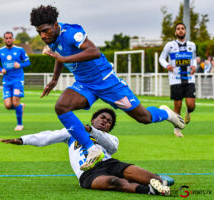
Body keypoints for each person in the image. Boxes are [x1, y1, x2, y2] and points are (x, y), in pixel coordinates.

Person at [30, 5, 184, 170]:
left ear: (55, 24)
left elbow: (94, 51)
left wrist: (65, 60)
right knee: (61, 106)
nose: (43, 36)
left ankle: (166, 114)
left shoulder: (71, 34)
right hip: (85, 84)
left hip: (107, 82)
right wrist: (54, 80)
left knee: (144, 117)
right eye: (39, 32)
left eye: (45, 30)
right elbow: (58, 57)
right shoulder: (52, 38)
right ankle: (92, 149)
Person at [1, 108, 172, 196]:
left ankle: (158, 182)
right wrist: (23, 140)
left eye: (109, 121)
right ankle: (149, 190)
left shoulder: (110, 138)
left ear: (110, 127)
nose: (105, 121)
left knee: (152, 177)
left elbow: (111, 147)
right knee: (114, 182)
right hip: (88, 173)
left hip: (109, 163)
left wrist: (91, 131)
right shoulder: (72, 132)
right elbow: (47, 136)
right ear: (93, 119)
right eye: (102, 118)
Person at [159, 22, 196, 137]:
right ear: (175, 32)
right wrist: (167, 66)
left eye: (182, 29)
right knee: (178, 105)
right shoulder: (170, 45)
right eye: (178, 29)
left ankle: (188, 112)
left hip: (189, 79)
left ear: (185, 31)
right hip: (175, 79)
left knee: (191, 105)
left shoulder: (192, 45)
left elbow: (193, 58)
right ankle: (177, 129)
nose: (180, 30)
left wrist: (194, 65)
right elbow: (161, 58)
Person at [0, 31, 31, 131]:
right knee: (7, 105)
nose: (8, 40)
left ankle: (20, 124)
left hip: (17, 80)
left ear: (13, 39)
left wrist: (20, 65)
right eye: (6, 38)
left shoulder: (20, 50)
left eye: (10, 38)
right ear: (4, 39)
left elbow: (28, 62)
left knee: (15, 102)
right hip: (6, 80)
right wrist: (0, 69)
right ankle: (21, 107)